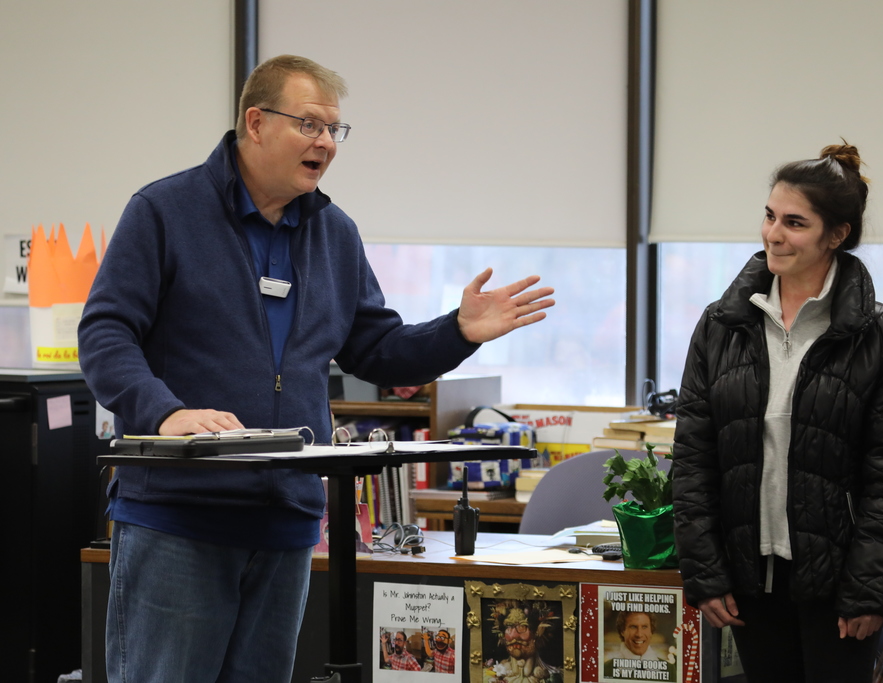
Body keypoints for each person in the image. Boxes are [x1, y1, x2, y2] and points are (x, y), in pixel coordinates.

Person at [78, 54, 554, 683]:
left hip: (287, 521)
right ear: (256, 122)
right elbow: (106, 332)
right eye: (310, 125)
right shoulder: (165, 212)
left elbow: (375, 351)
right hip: (180, 517)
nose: (326, 143)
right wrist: (163, 412)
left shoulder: (334, 233)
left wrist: (458, 331)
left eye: (334, 130)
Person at [670, 143, 883, 682]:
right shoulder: (721, 325)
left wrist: (870, 589)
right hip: (746, 582)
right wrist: (706, 572)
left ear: (837, 235)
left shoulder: (882, 336)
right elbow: (693, 459)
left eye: (794, 223)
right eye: (769, 216)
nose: (773, 235)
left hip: (840, 587)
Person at [484, 600, 562, 683]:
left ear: (536, 632)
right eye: (509, 626)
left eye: (522, 626)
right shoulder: (494, 674)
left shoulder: (551, 677)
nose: (514, 635)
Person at [602, 611, 675, 680]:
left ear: (651, 631)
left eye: (644, 627)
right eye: (633, 627)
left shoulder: (670, 670)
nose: (639, 634)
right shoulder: (605, 670)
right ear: (622, 631)